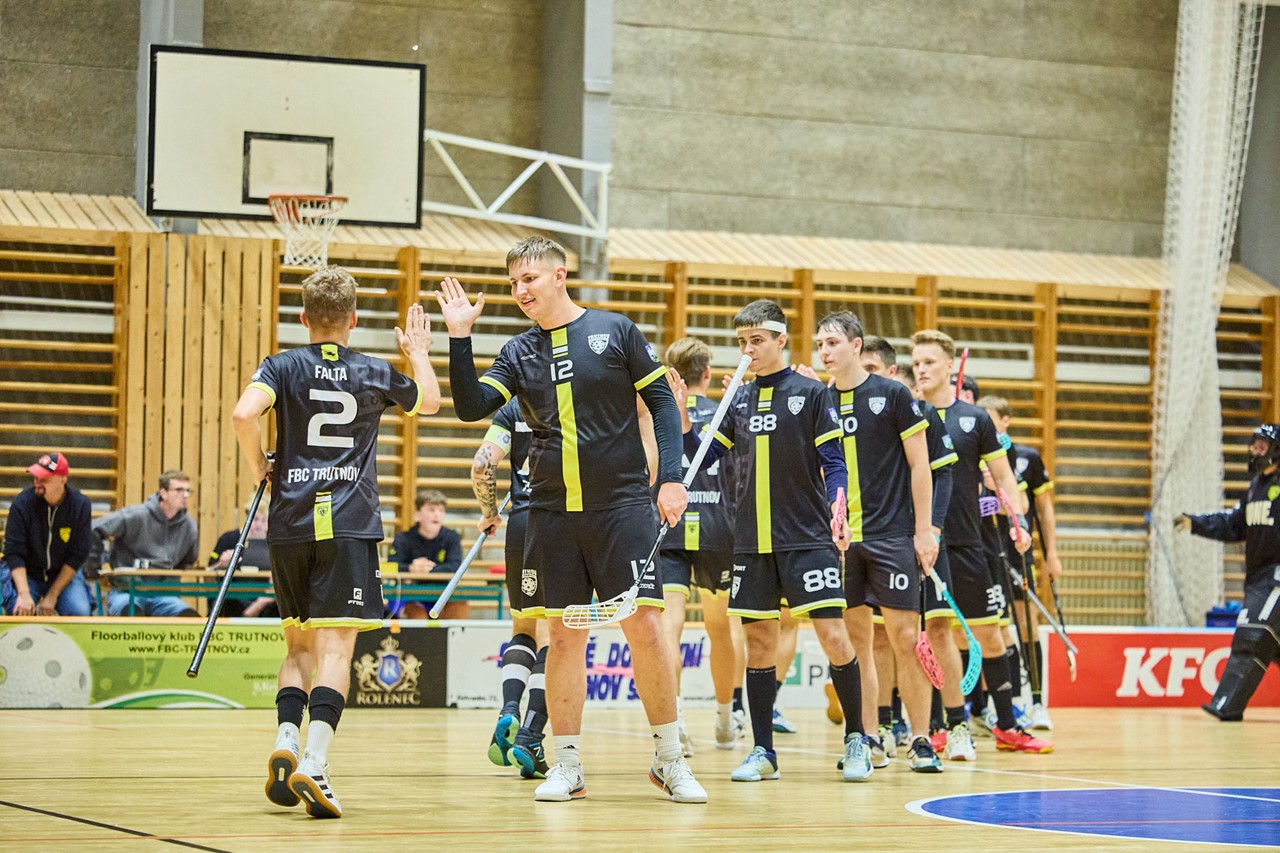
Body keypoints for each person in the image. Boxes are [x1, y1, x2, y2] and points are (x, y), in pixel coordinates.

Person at [439, 235, 707, 804]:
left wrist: (671, 478)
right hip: (552, 513)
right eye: (513, 283)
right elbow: (470, 407)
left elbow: (662, 404)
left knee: (646, 629)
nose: (520, 291)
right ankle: (566, 764)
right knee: (562, 636)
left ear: (559, 275)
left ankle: (669, 758)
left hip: (622, 508)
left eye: (529, 279)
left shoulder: (616, 330)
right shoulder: (517, 351)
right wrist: (459, 336)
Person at [232, 265, 439, 818]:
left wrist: (259, 466)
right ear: (353, 319)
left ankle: (286, 738)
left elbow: (243, 414)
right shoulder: (372, 370)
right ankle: (315, 762)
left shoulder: (281, 365)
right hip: (347, 524)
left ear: (303, 319)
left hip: (291, 524)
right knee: (335, 651)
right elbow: (430, 402)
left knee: (298, 648)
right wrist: (419, 352)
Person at [687, 299, 870, 784]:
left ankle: (857, 738)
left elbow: (834, 462)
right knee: (759, 642)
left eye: (757, 341)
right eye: (741, 342)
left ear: (780, 340)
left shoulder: (812, 394)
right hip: (751, 543)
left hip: (806, 538)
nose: (748, 350)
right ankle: (763, 750)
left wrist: (838, 508)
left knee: (833, 635)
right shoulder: (738, 400)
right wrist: (676, 418)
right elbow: (700, 456)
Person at [910, 329, 1052, 754]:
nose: (921, 370)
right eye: (916, 363)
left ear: (950, 365)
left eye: (929, 362)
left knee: (990, 635)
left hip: (970, 543)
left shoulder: (975, 419)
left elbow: (1004, 476)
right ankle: (941, 726)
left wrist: (1018, 520)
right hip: (925, 545)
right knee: (935, 635)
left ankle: (1007, 726)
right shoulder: (908, 414)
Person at [812, 315, 942, 773]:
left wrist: (924, 530)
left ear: (856, 345)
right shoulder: (818, 399)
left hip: (891, 537)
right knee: (856, 643)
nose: (824, 351)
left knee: (906, 638)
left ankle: (921, 738)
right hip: (840, 543)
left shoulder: (893, 395)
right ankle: (867, 737)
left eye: (832, 342)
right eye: (819, 344)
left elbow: (921, 466)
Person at [660, 337, 747, 755]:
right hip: (719, 528)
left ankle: (675, 723)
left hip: (669, 526)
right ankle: (726, 721)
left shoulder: (658, 412)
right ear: (707, 374)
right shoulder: (725, 412)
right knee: (722, 629)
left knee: (670, 628)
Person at [1177, 423, 1280, 721]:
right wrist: (1195, 523)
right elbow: (1233, 524)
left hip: (1275, 577)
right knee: (1272, 645)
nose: (1255, 451)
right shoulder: (1255, 487)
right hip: (1257, 578)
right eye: (1254, 446)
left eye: (1262, 446)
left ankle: (1226, 706)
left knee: (1252, 635)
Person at [471, 397, 551, 778]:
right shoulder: (573, 394)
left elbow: (482, 464)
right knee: (556, 640)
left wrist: (489, 513)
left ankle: (509, 709)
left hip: (519, 525)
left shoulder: (513, 408)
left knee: (523, 629)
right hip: (560, 524)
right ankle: (530, 735)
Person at [978, 395, 1060, 730]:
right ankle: (995, 706)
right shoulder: (973, 456)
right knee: (991, 626)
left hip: (1016, 550)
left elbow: (1037, 508)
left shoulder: (1024, 457)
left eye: (990, 419)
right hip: (984, 551)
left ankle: (1037, 702)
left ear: (1005, 420)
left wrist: (1051, 554)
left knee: (1026, 623)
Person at [85, 470, 201, 618]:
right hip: (126, 591)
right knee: (130, 612)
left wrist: (168, 582)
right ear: (163, 493)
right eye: (179, 490)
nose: (185, 495)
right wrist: (95, 566)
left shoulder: (190, 527)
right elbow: (94, 529)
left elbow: (188, 561)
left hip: (164, 595)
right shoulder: (135, 515)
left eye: (188, 491)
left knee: (189, 617)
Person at [1, 452, 94, 616]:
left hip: (62, 575)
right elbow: (14, 552)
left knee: (79, 611)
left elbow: (78, 555)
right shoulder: (22, 504)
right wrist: (24, 594)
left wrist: (52, 595)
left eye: (44, 478)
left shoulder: (80, 506)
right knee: (19, 609)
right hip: (28, 573)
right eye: (36, 476)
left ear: (63, 479)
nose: (37, 481)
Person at [388, 489, 465, 619]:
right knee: (416, 615)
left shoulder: (451, 537)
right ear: (417, 515)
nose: (437, 515)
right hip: (408, 596)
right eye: (431, 510)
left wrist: (429, 569)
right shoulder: (403, 539)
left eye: (441, 510)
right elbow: (392, 565)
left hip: (440, 594)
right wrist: (411, 568)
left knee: (460, 608)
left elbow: (455, 566)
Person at [207, 494, 278, 618]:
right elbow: (208, 576)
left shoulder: (276, 543)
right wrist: (221, 564)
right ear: (247, 515)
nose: (259, 525)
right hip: (233, 601)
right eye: (255, 519)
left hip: (266, 600)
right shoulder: (228, 539)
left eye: (264, 520)